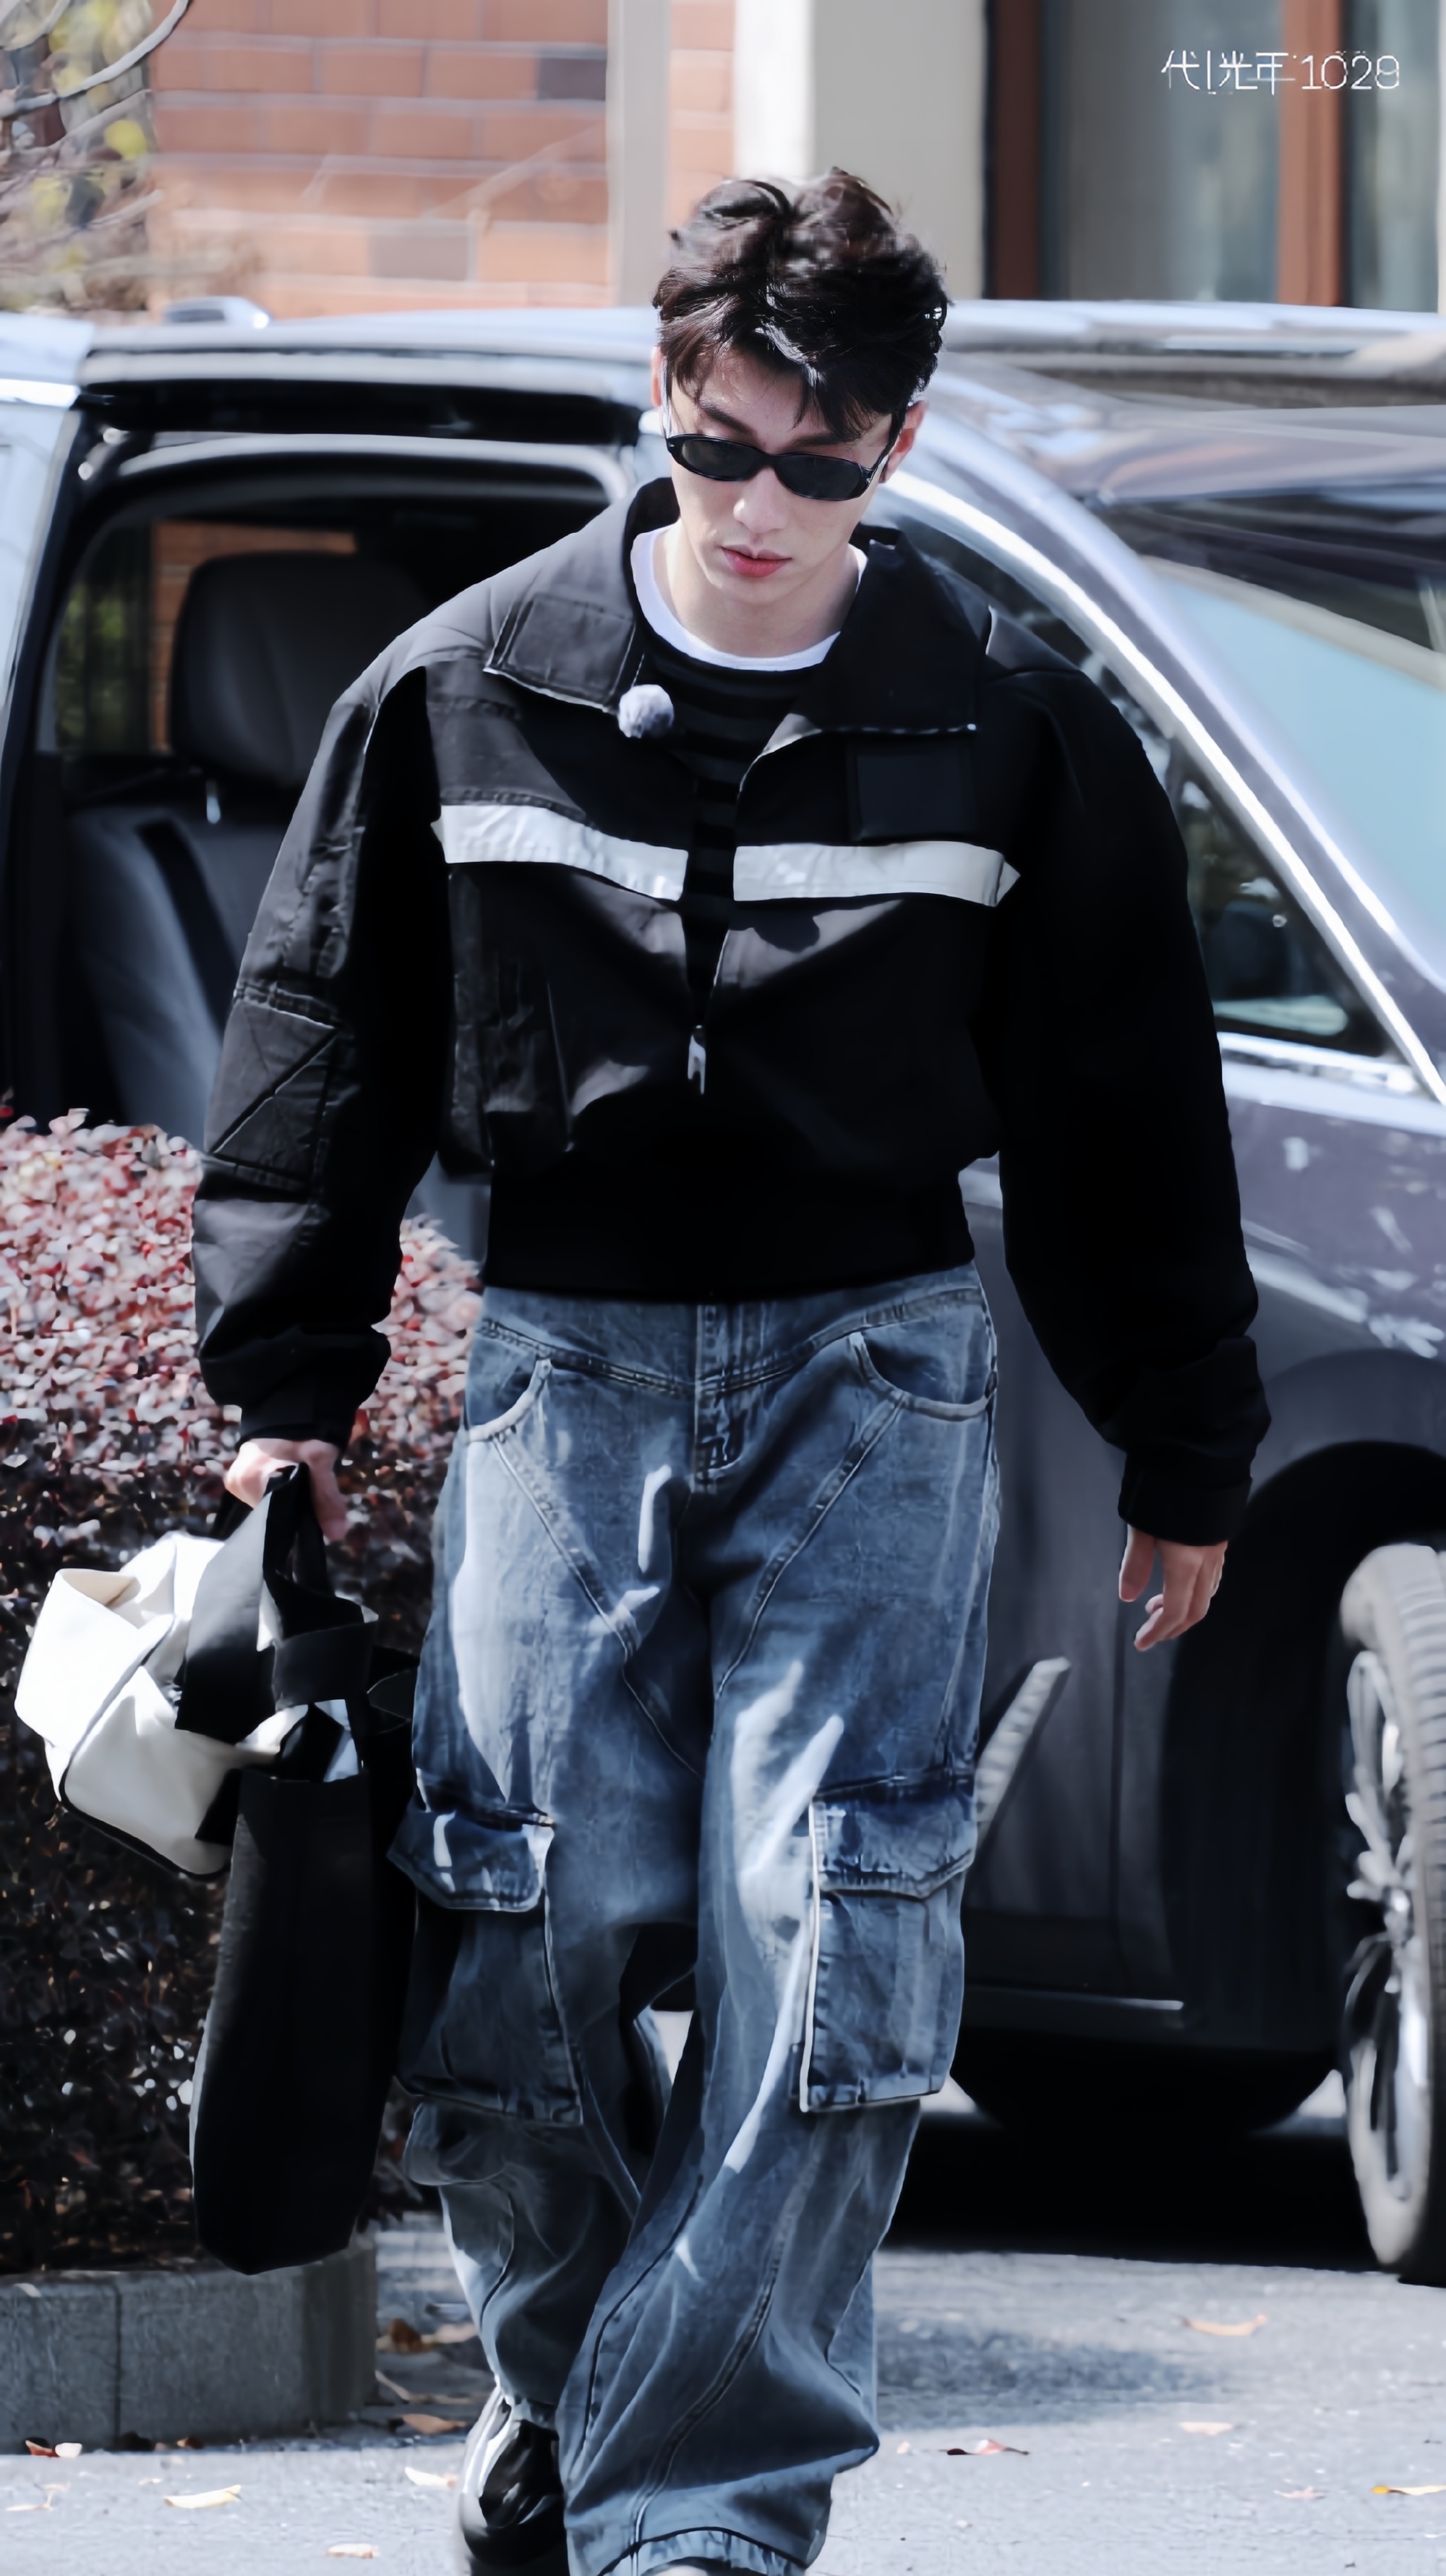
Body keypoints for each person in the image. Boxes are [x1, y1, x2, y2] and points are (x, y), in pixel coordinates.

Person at [198, 172, 1268, 2576]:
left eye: (822, 461)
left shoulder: (1005, 722)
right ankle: (582, 2397)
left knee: (832, 1933)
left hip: (877, 1378)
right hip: (556, 1364)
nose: (762, 506)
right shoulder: (467, 683)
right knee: (522, 1918)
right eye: (715, 446)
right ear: (658, 402)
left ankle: (695, 2519)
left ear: (901, 445)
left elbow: (1123, 1103)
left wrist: (1187, 1433)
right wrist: (284, 1374)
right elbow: (319, 1037)